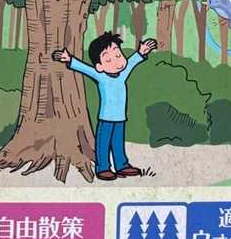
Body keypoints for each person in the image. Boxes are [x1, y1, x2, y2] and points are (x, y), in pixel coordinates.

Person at [53, 32, 157, 182]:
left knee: (118, 143)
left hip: (120, 118)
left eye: (118, 55)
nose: (117, 61)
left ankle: (122, 165)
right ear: (100, 66)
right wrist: (69, 59)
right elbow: (85, 69)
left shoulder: (122, 74)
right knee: (103, 143)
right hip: (106, 119)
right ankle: (102, 168)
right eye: (108, 59)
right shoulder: (100, 76)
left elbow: (131, 62)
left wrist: (141, 52)